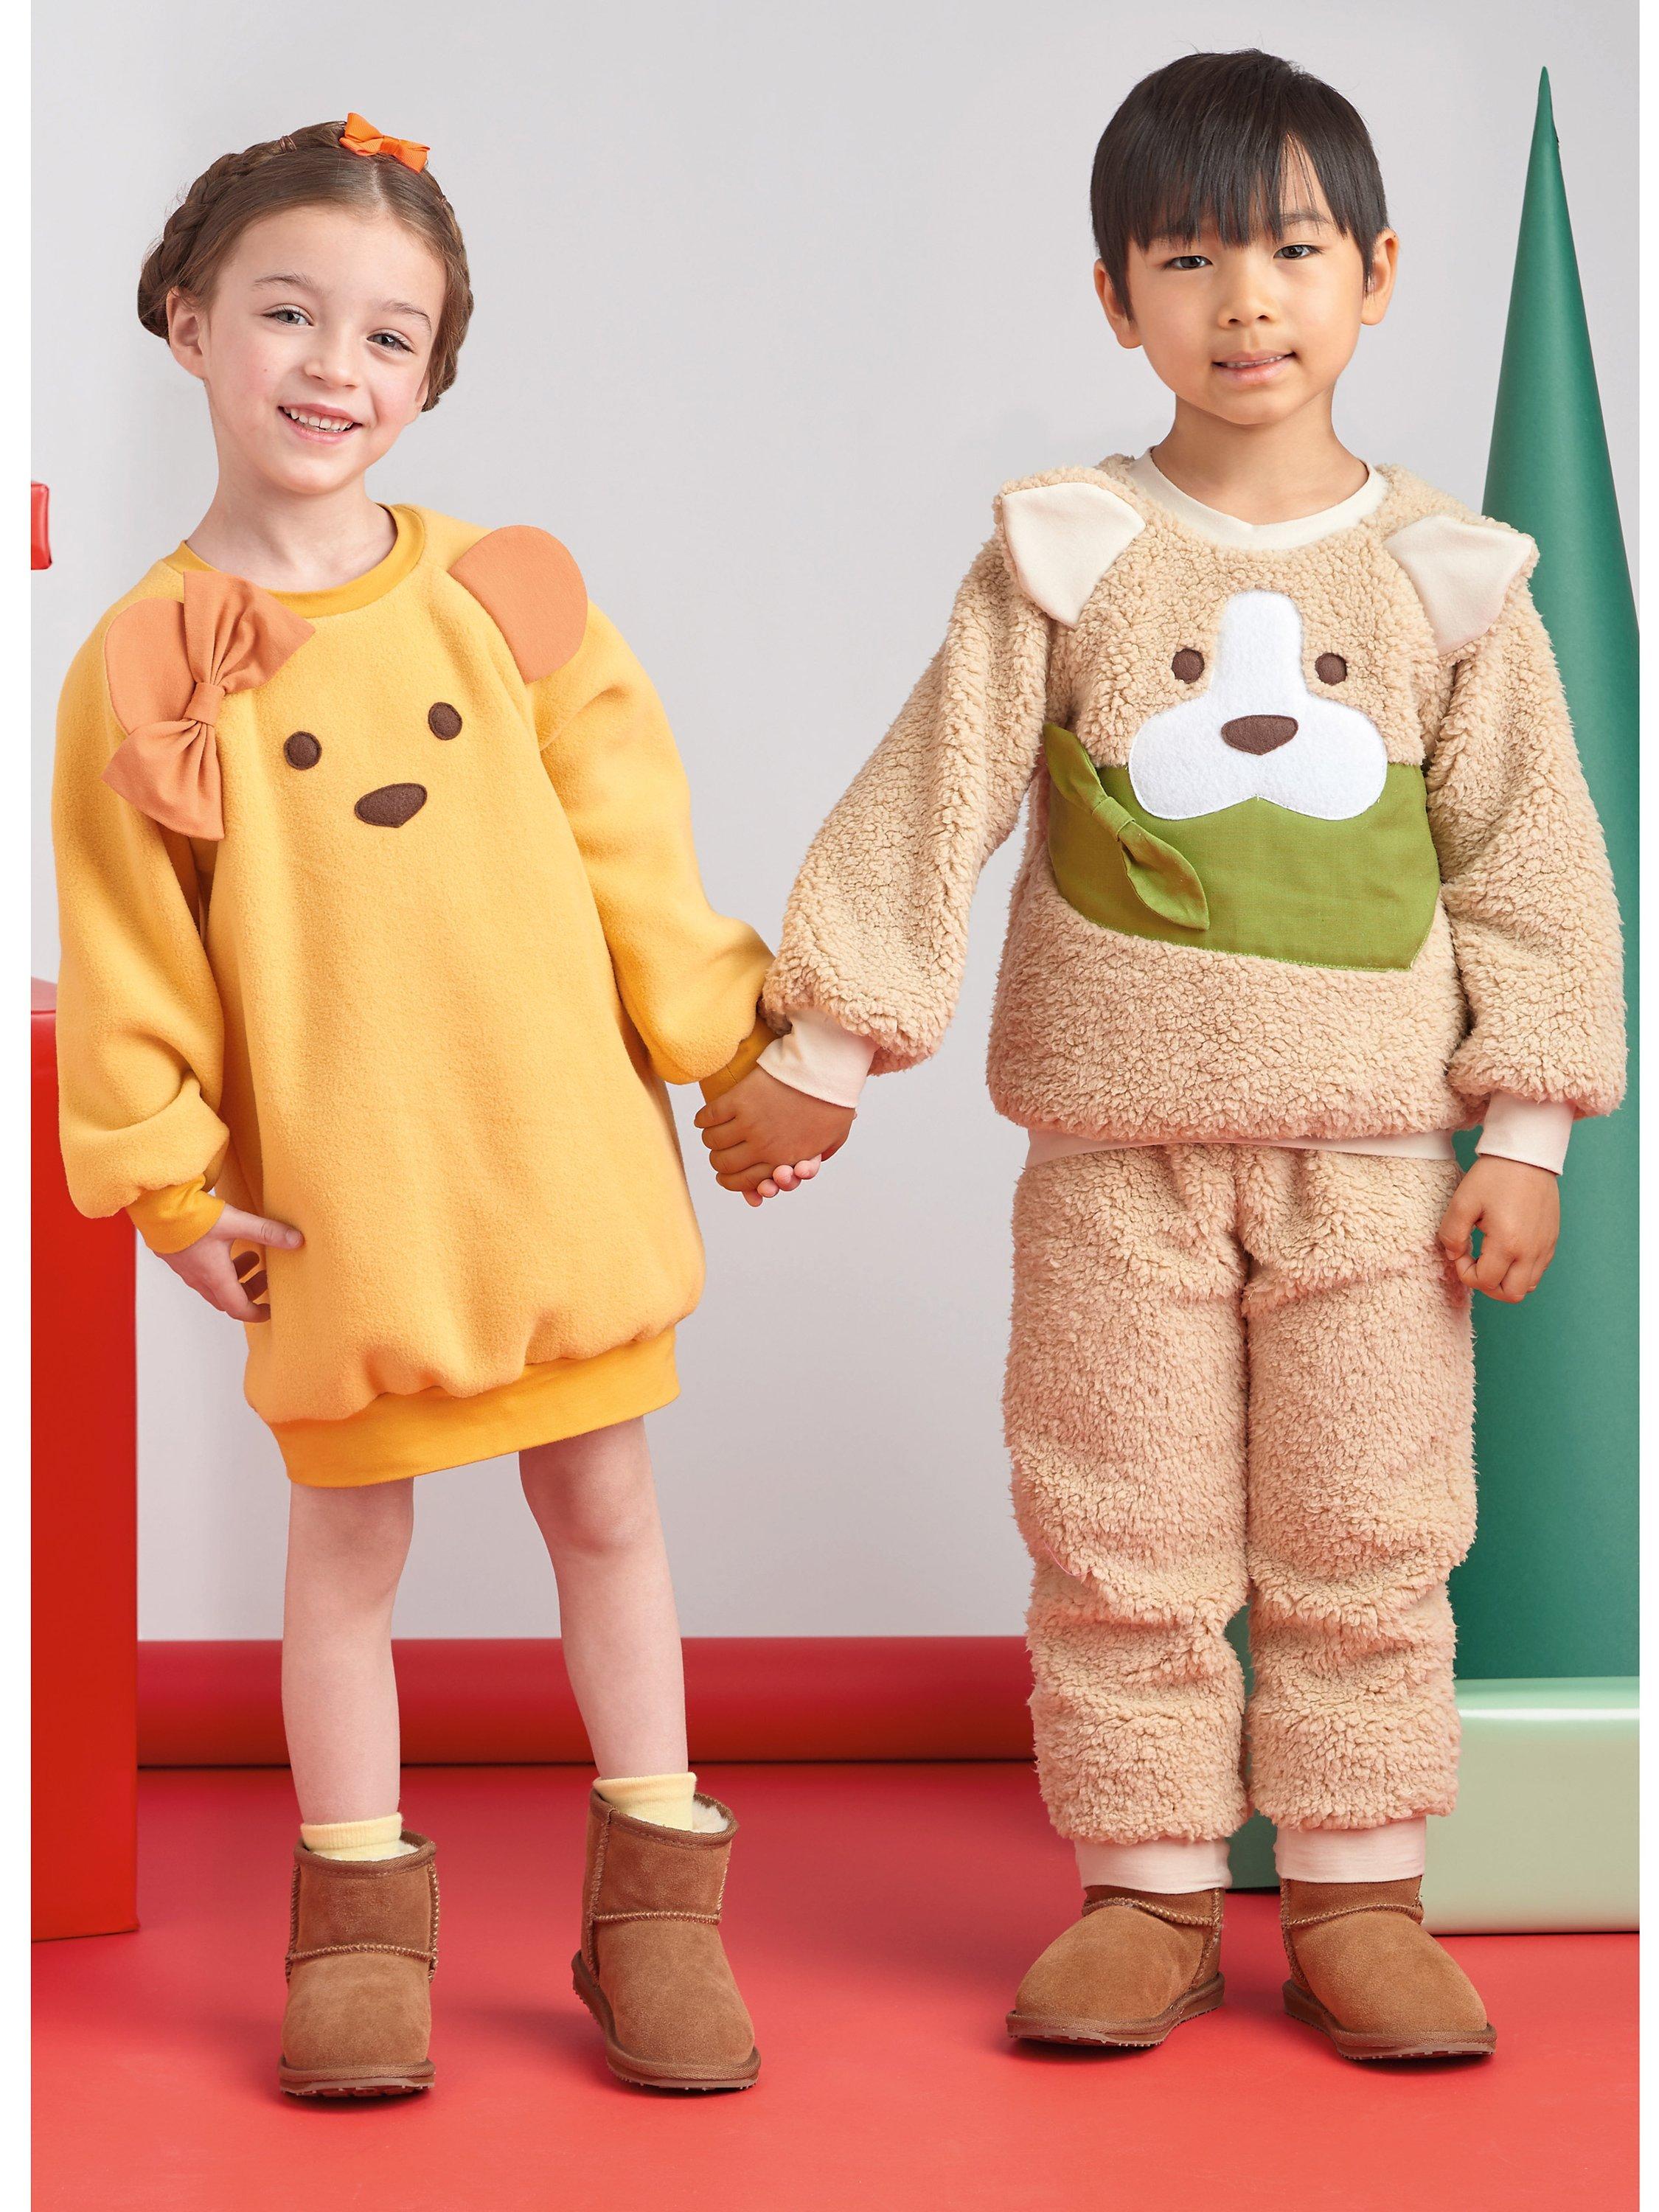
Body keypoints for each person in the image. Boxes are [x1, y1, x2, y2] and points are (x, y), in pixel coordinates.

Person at [697, 49, 1626, 2060]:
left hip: (1377, 1171)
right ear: (1116, 297)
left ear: (1376, 273)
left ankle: (1361, 1893)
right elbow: (932, 796)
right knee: (1118, 1527)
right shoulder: (1069, 553)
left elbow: (1532, 869)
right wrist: (826, 1051)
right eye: (1188, 259)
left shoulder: (1450, 578)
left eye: (1290, 250)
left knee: (1372, 1533)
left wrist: (1528, 1128)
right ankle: (1147, 1891)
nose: (1245, 301)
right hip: (1116, 1162)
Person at [52, 115, 810, 2098]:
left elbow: (636, 850)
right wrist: (167, 1182)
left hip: (555, 1162)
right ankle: (358, 1929)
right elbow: (132, 951)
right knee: (347, 1549)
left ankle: (655, 1913)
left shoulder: (503, 590)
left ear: (432, 375)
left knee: (607, 1507)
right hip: (349, 1198)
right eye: (287, 313)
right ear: (187, 320)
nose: (334, 367)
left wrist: (733, 1049)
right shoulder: (142, 660)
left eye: (389, 337)